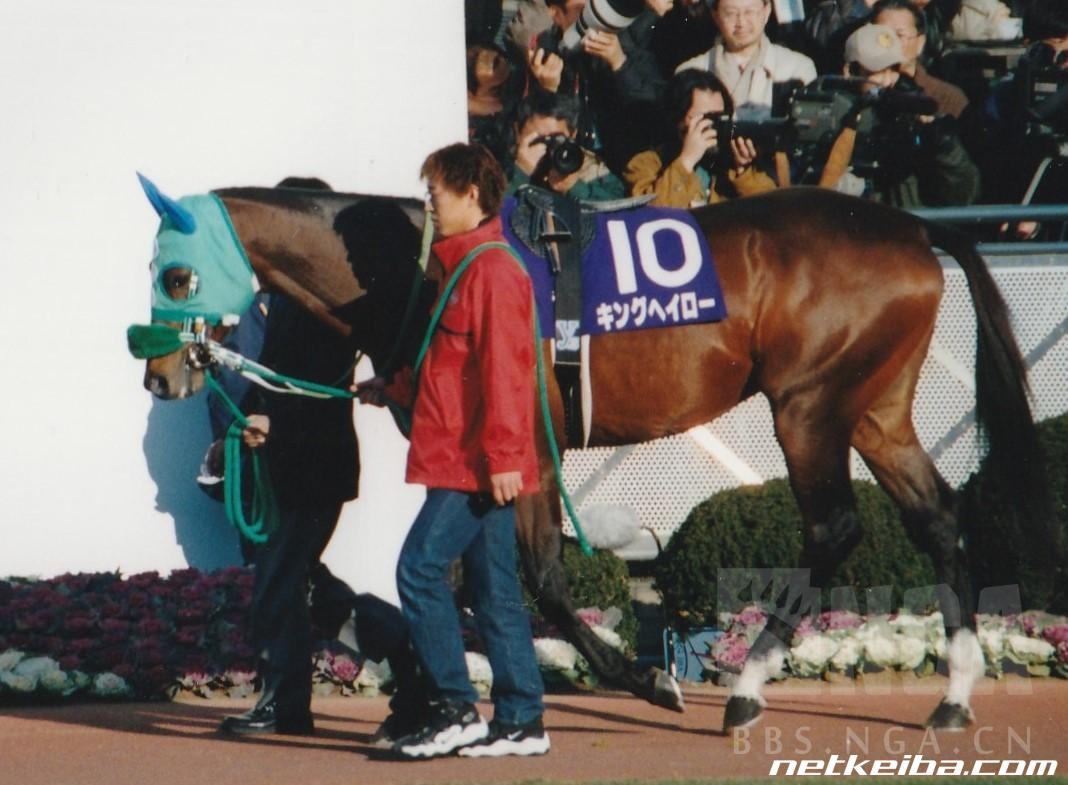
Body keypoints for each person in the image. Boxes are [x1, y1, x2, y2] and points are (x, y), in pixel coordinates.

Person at [357, 142, 549, 759]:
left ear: (472, 194)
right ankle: (521, 721)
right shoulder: (463, 266)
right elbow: (452, 366)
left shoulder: (491, 270)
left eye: (437, 191)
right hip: (471, 461)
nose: (430, 202)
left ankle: (453, 708)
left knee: (417, 569)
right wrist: (393, 388)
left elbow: (507, 374)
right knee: (494, 593)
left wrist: (504, 461)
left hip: (474, 468)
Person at [829, 22, 980, 206]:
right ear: (849, 71)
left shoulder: (910, 112)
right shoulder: (832, 115)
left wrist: (944, 147)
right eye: (876, 71)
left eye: (893, 69)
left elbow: (964, 195)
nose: (887, 80)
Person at [623, 69, 777, 206]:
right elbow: (652, 214)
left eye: (719, 117)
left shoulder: (727, 166)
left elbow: (772, 210)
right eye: (704, 118)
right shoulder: (646, 164)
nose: (713, 125)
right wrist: (686, 162)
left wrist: (743, 172)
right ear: (678, 118)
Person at [674, 0, 816, 118]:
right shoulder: (691, 71)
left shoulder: (798, 68)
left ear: (767, 11)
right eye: (730, 13)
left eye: (750, 11)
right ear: (715, 15)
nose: (741, 22)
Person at [507, 91, 626, 199]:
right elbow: (492, 211)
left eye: (556, 139)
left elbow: (618, 209)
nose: (546, 146)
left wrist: (575, 187)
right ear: (517, 132)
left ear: (572, 134)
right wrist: (520, 174)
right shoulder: (497, 166)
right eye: (538, 138)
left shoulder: (588, 167)